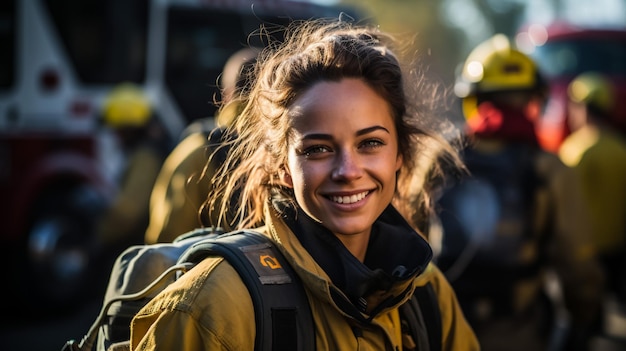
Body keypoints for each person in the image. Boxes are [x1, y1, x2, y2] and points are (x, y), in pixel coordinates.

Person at [129, 18, 479, 350]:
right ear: (281, 166)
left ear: (400, 154)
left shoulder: (427, 293)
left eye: (370, 143)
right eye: (318, 149)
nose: (348, 170)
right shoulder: (215, 303)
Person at [432, 34, 605, 351]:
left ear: (471, 99)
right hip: (516, 331)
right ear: (533, 102)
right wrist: (585, 320)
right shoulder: (548, 167)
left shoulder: (442, 156)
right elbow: (578, 264)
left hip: (440, 324)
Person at [144, 47, 259, 244]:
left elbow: (167, 236)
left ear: (226, 95)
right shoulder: (292, 146)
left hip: (217, 271)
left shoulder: (197, 149)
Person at [558, 72, 626, 343]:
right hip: (617, 250)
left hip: (584, 254)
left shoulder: (574, 150)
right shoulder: (621, 148)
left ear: (582, 108)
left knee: (582, 328)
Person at [95, 83, 171, 256]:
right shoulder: (150, 150)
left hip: (141, 248)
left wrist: (98, 235)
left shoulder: (146, 157)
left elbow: (128, 213)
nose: (116, 137)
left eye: (118, 130)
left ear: (129, 130)